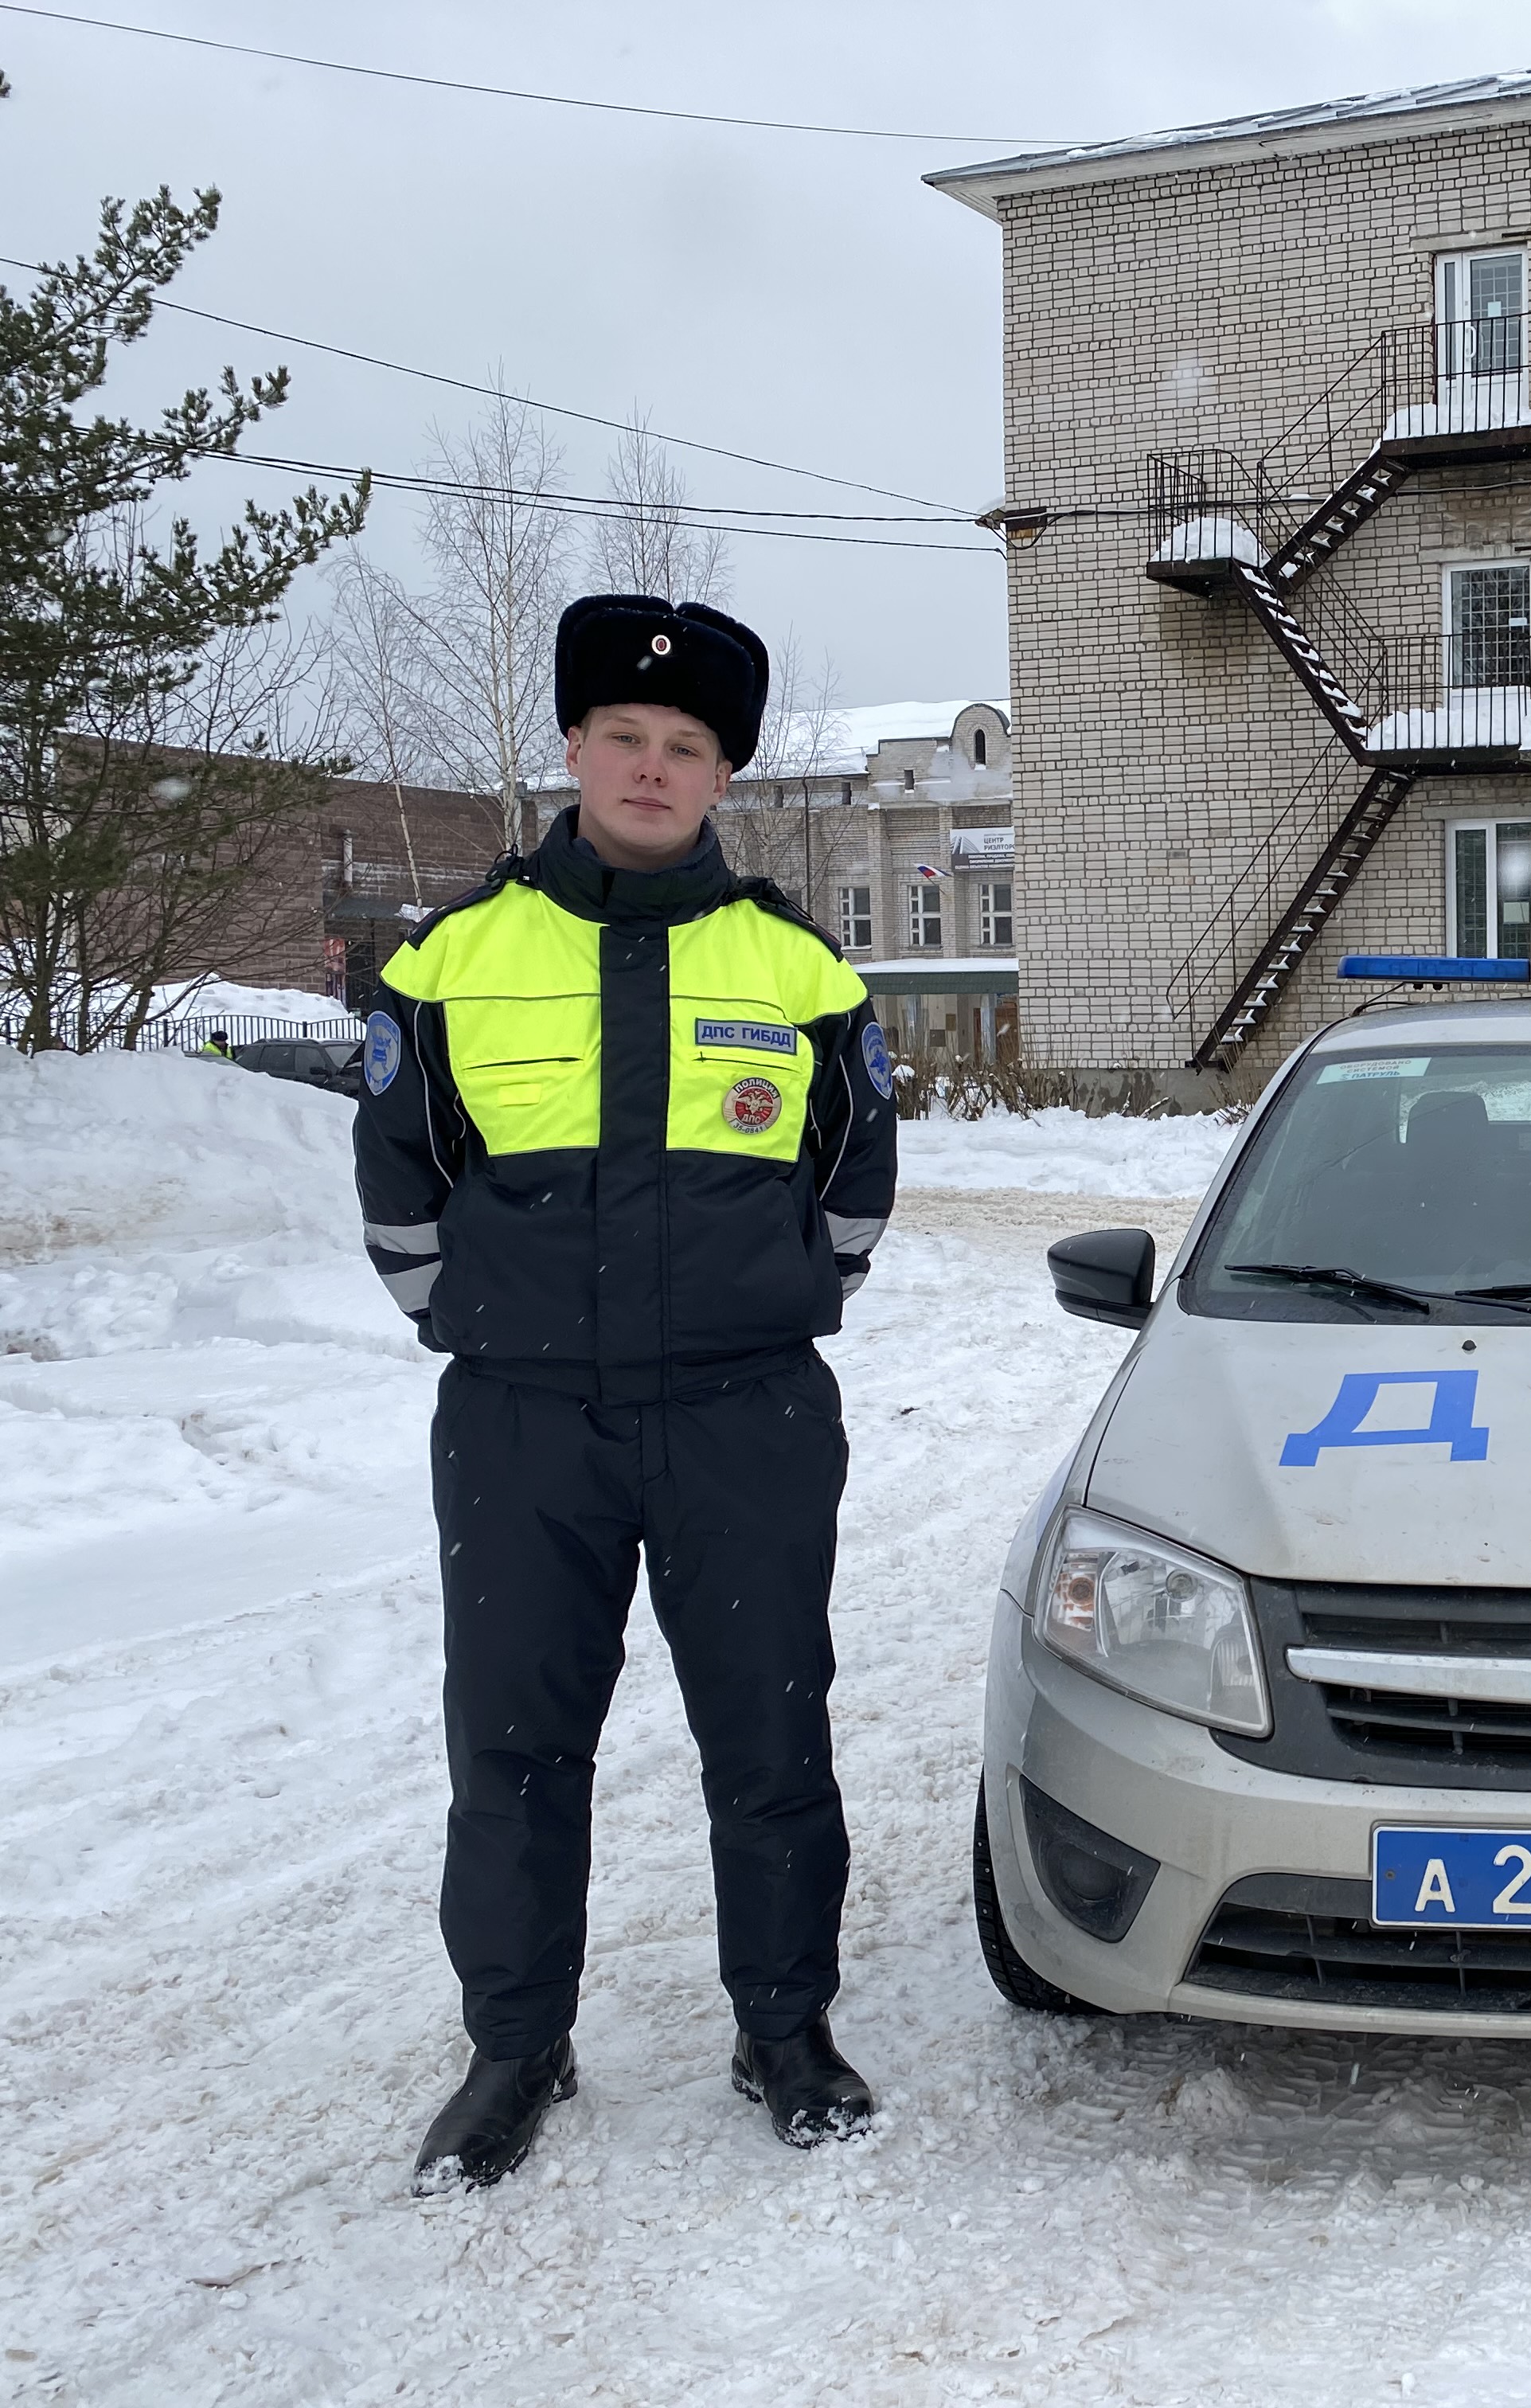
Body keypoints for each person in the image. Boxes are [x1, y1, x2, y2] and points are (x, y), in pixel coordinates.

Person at [353, 595, 901, 2192]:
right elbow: (398, 1175)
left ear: (722, 774)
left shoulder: (795, 967)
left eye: (688, 747)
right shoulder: (456, 955)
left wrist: (788, 1299)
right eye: (626, 738)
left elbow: (853, 1176)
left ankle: (782, 2027)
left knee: (771, 1732)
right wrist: (461, 1314)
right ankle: (517, 2047)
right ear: (576, 748)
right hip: (524, 1426)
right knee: (514, 1745)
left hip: (747, 1418)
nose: (653, 768)